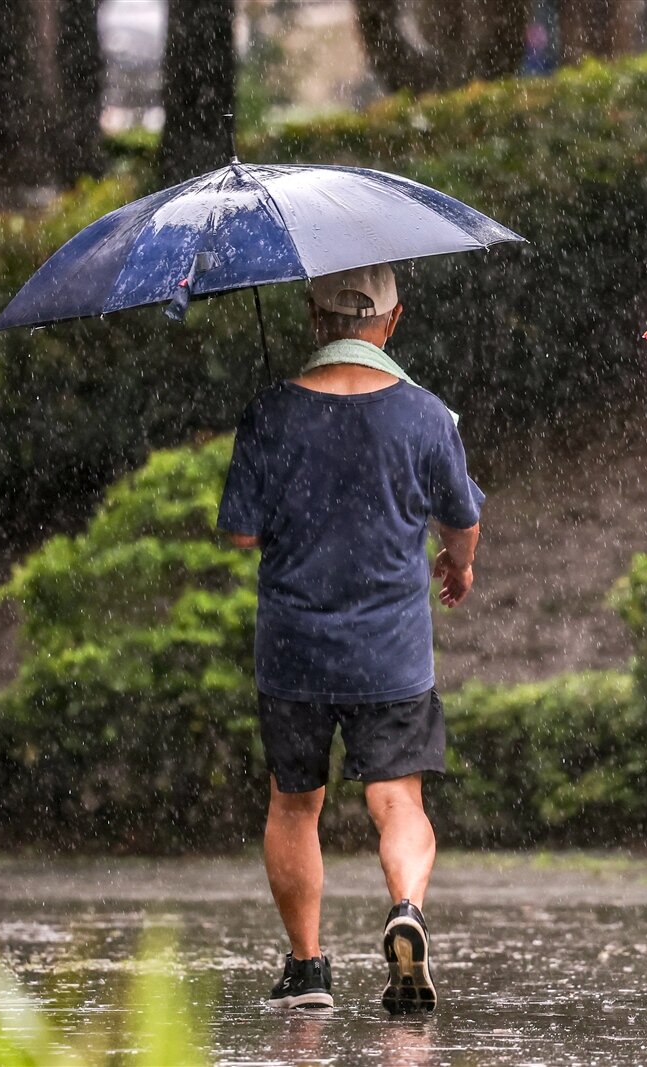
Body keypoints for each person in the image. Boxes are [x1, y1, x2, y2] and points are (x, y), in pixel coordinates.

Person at [217, 262, 483, 1014]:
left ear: (312, 318)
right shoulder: (426, 415)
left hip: (295, 648)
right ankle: (406, 907)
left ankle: (307, 970)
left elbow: (240, 533)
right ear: (392, 323)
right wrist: (457, 567)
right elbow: (461, 521)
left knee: (294, 803)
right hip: (391, 651)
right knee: (397, 799)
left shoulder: (270, 412)